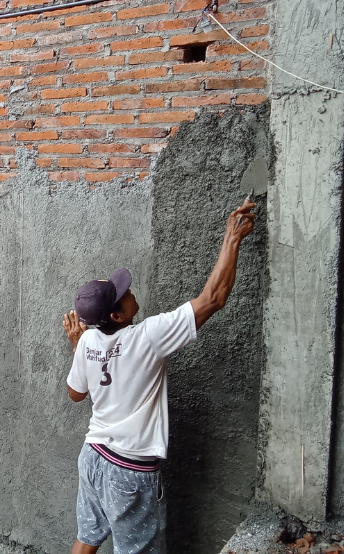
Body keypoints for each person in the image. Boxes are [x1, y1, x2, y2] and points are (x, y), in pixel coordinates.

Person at [63, 200, 256, 554]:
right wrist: (232, 238)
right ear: (117, 316)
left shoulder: (87, 340)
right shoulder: (148, 336)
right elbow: (213, 298)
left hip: (93, 457)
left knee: (87, 538)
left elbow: (76, 394)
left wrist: (79, 349)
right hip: (129, 472)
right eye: (123, 295)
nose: (130, 291)